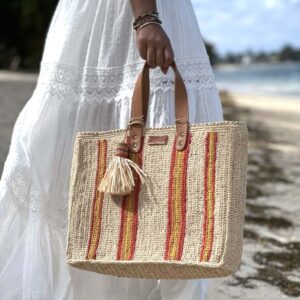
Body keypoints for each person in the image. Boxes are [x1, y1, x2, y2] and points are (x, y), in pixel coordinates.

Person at [0, 0, 224, 299]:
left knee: (75, 157)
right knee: (164, 165)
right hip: (125, 14)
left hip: (118, 15)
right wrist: (145, 17)